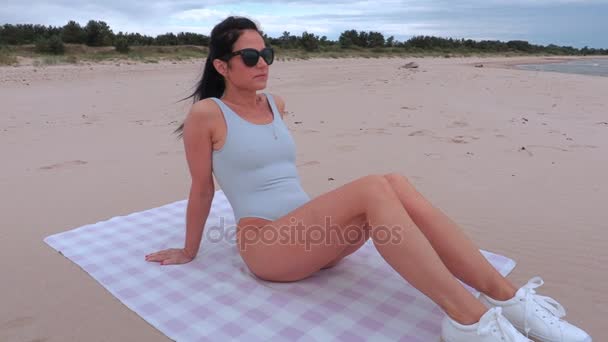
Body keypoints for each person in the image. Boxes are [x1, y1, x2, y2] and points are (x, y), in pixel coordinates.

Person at [145, 16, 592, 342]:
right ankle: (470, 320)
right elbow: (202, 187)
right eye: (249, 56)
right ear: (222, 66)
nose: (262, 62)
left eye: (267, 53)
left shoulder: (276, 103)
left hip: (311, 237)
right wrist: (189, 250)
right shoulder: (207, 114)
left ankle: (507, 298)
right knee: (374, 186)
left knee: (393, 181)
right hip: (266, 247)